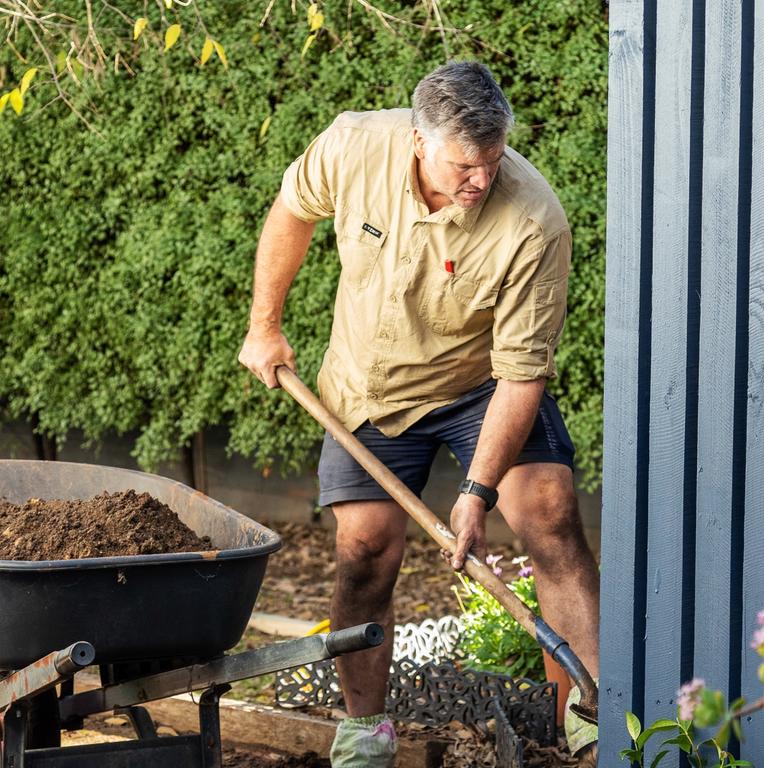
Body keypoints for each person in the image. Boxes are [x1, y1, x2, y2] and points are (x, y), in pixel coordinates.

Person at [238, 61, 599, 766]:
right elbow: (291, 209)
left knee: (551, 514)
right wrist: (265, 324)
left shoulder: (534, 221)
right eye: (466, 165)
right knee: (364, 553)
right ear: (417, 141)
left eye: (493, 162)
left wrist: (476, 494)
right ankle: (364, 732)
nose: (481, 181)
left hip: (481, 388)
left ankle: (587, 715)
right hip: (370, 387)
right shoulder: (352, 146)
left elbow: (521, 374)